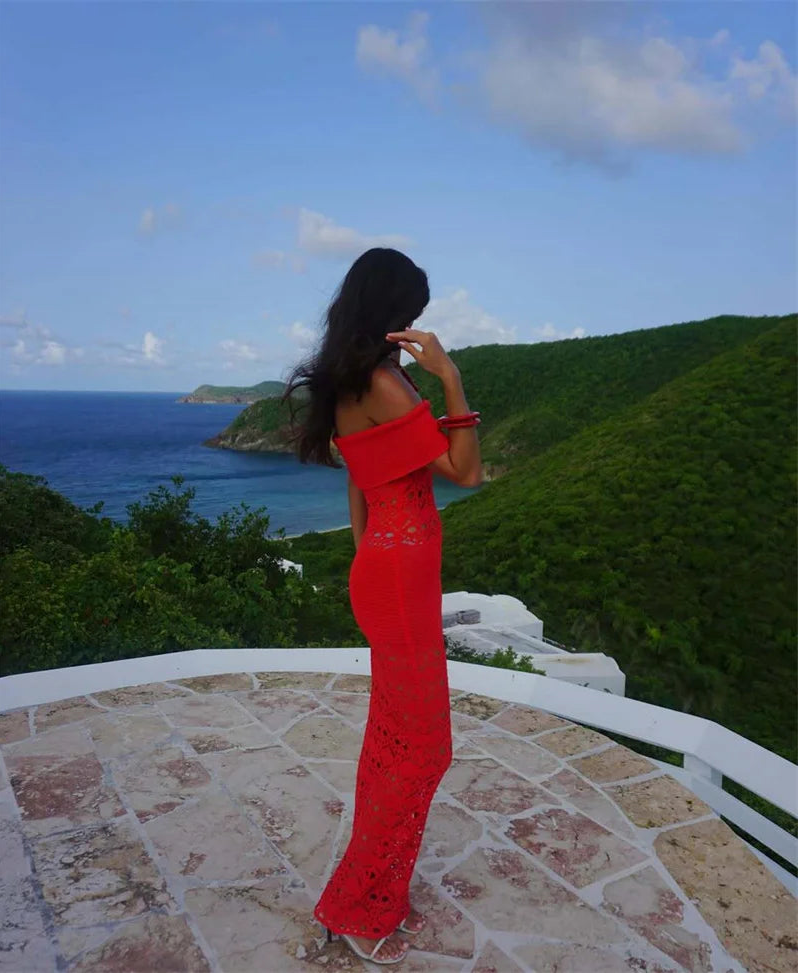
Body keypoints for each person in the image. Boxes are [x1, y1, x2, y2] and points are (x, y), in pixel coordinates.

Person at [281, 247, 482, 965]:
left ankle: (370, 893)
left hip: (385, 571)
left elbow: (359, 484)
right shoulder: (385, 384)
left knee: (393, 741)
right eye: (411, 312)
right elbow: (466, 472)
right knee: (424, 747)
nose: (415, 324)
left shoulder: (347, 382)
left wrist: (366, 558)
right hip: (398, 578)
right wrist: (450, 377)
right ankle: (362, 907)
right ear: (391, 311)